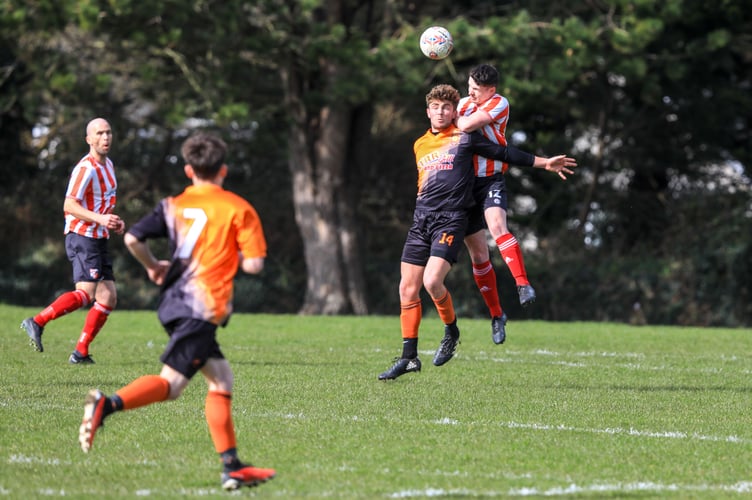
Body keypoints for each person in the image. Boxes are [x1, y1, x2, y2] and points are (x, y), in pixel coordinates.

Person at [77, 133, 276, 491]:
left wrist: (153, 266)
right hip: (201, 307)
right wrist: (232, 254)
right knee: (171, 386)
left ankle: (231, 465)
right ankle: (106, 405)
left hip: (173, 302)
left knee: (221, 379)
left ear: (188, 170)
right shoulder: (238, 208)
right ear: (223, 170)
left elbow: (133, 238)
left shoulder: (173, 204)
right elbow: (256, 265)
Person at [378, 84, 575, 380]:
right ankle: (409, 357)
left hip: (451, 220)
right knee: (406, 289)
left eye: (447, 107)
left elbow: (503, 152)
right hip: (421, 220)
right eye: (436, 107)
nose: (441, 112)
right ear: (428, 110)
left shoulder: (465, 137)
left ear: (455, 111)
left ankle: (452, 330)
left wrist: (543, 162)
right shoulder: (419, 144)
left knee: (433, 282)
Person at [457, 64, 568, 344]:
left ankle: (522, 284)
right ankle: (497, 315)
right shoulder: (463, 102)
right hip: (466, 185)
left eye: (476, 90)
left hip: (491, 179)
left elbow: (467, 126)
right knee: (480, 256)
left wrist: (458, 117)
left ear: (491, 91)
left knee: (498, 227)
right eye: (469, 86)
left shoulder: (499, 103)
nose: (470, 92)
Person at [20, 117, 125, 364]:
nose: (106, 137)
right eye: (99, 133)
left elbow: (102, 204)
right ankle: (37, 321)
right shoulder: (85, 168)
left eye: (108, 132)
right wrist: (100, 219)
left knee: (108, 297)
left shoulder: (108, 165)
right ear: (89, 139)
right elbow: (69, 204)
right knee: (86, 293)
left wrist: (113, 221)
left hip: (99, 237)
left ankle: (80, 353)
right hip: (82, 237)